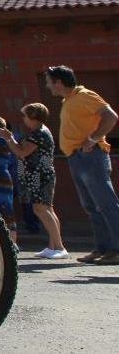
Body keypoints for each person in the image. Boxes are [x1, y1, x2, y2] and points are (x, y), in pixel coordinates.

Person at [45, 65, 119, 265]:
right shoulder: (69, 100)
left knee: (106, 204)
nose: (48, 86)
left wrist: (93, 139)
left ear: (58, 82)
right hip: (77, 157)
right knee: (92, 206)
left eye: (49, 81)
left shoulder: (85, 95)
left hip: (91, 156)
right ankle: (103, 248)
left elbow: (111, 117)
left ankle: (117, 249)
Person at [0, 103, 67, 259]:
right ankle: (53, 246)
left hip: (40, 175)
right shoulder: (40, 132)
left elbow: (21, 152)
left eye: (25, 116)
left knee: (42, 209)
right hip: (40, 175)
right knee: (46, 209)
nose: (23, 119)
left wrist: (9, 139)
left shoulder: (38, 134)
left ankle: (59, 247)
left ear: (33, 117)